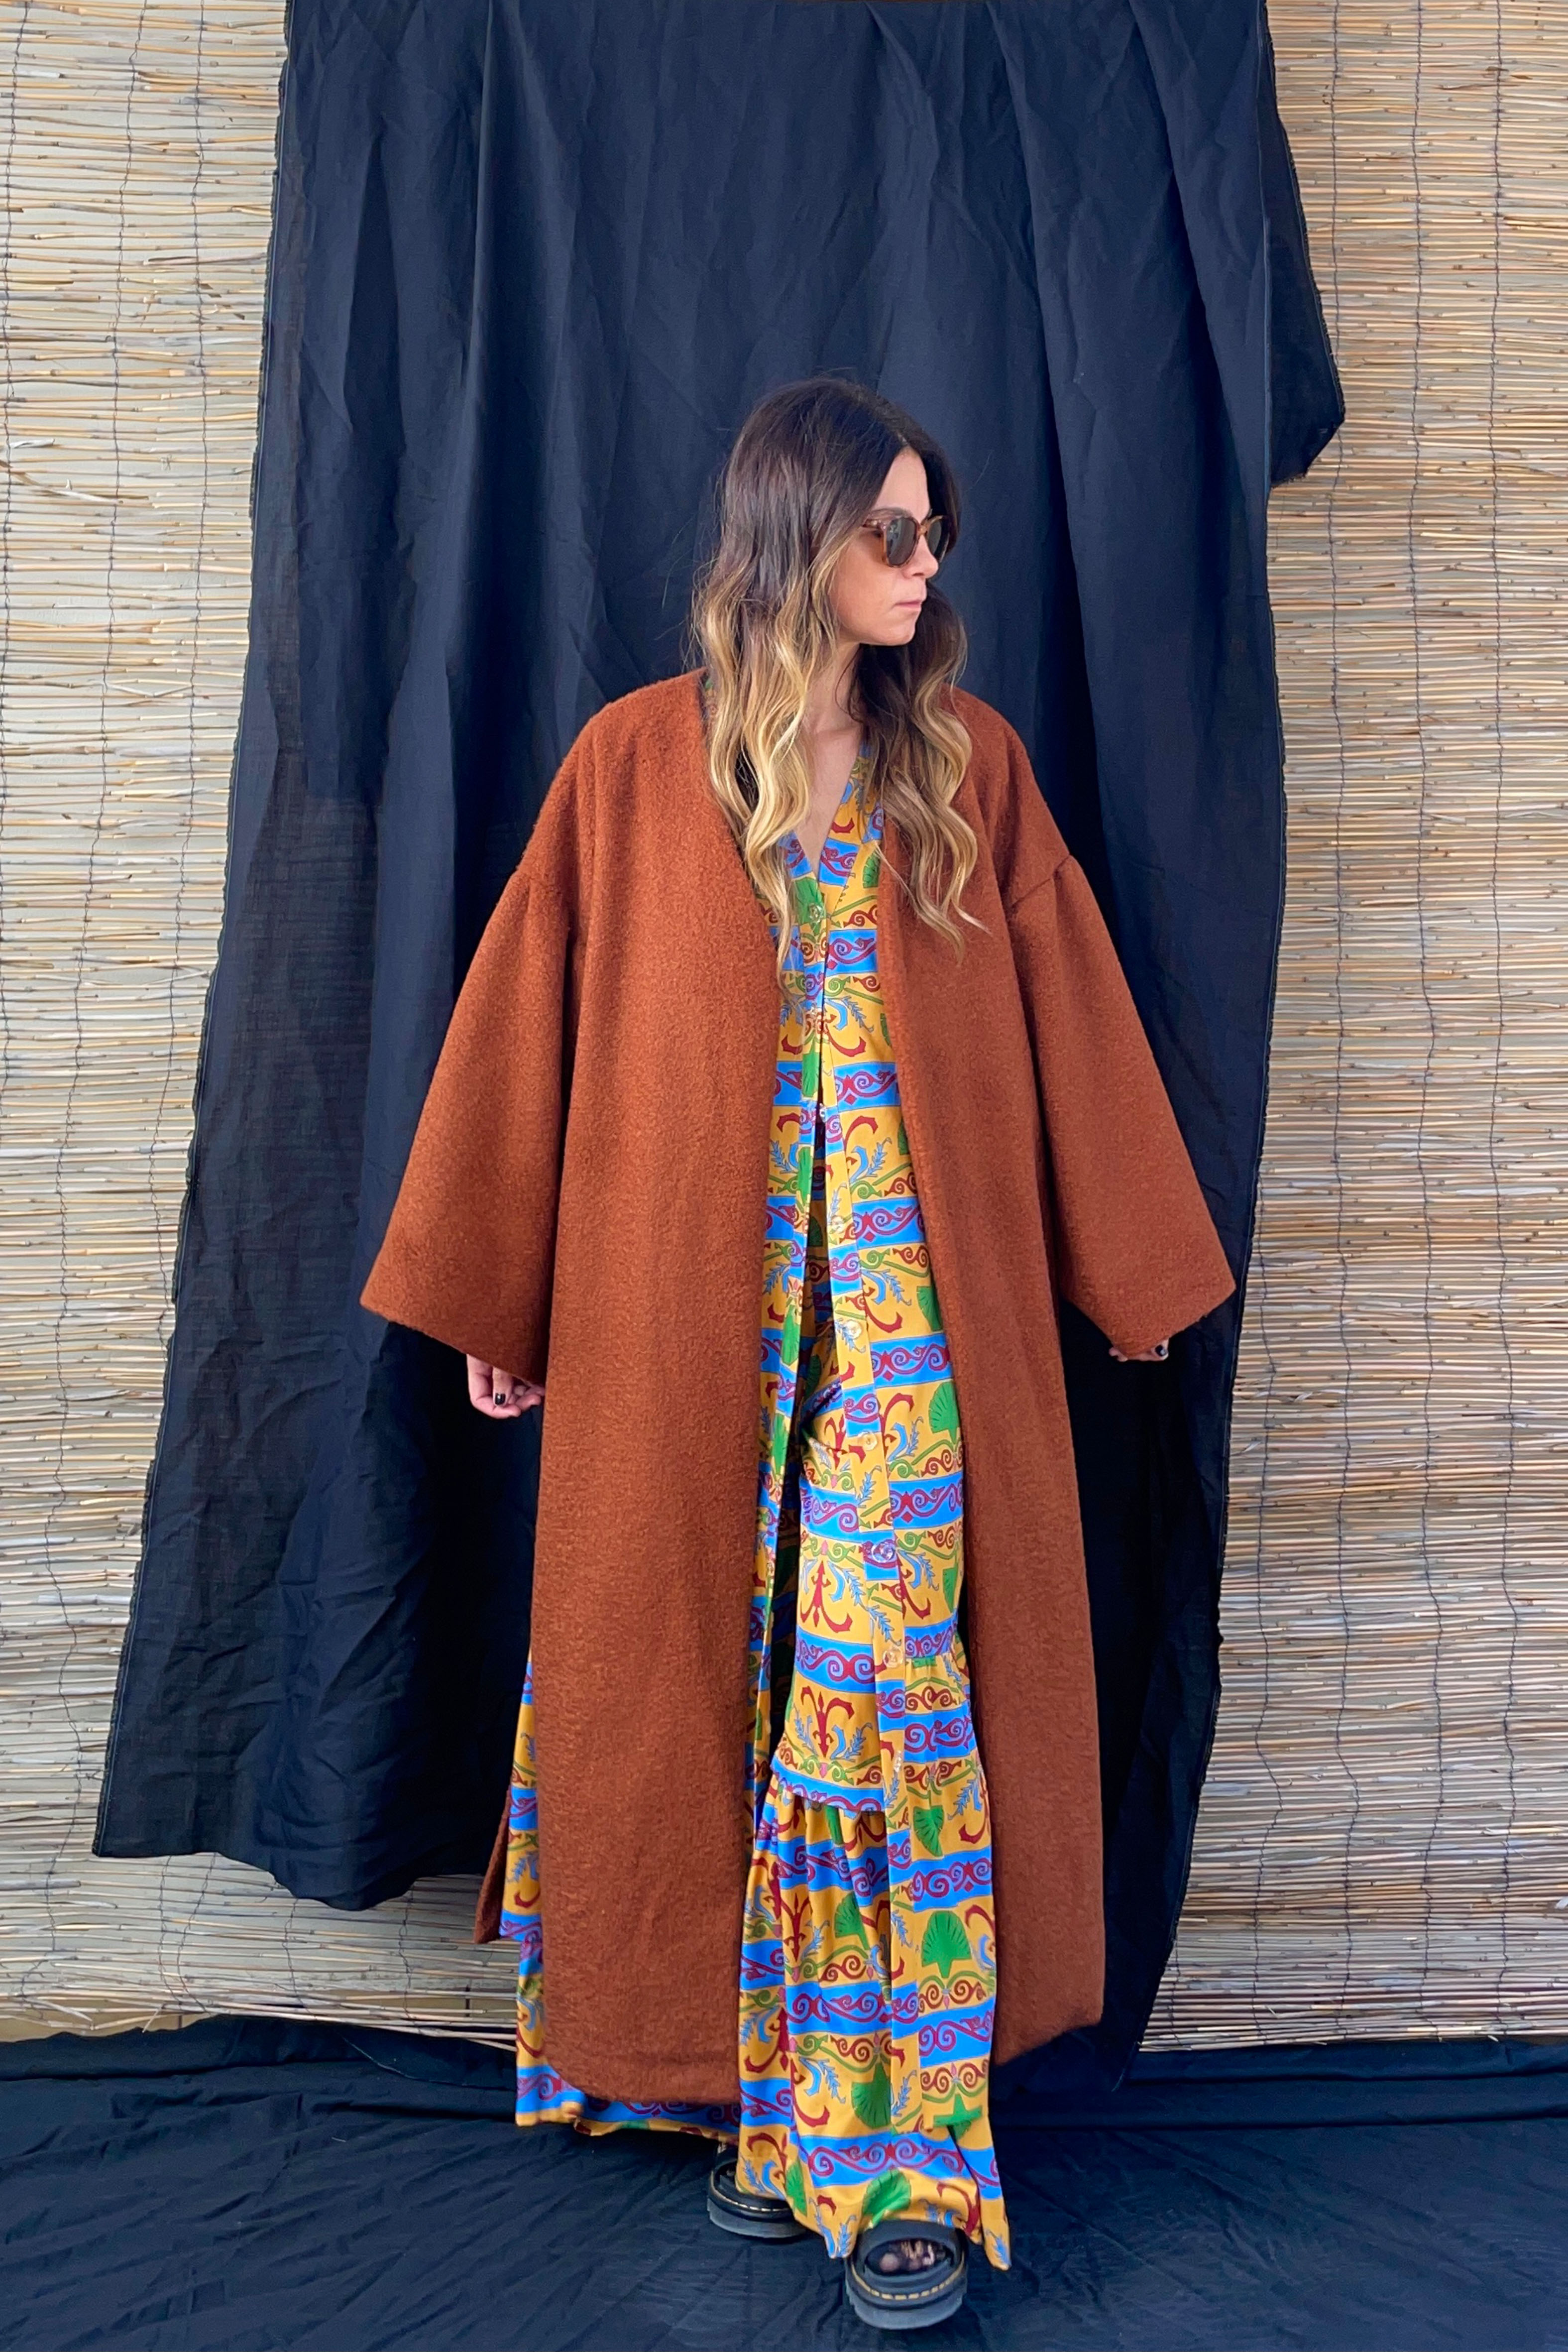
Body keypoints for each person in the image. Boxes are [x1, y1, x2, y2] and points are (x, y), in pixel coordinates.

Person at [361, 376, 1234, 2330]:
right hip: (686, 1336)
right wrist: (504, 1295)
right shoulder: (629, 765)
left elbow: (1072, 1002)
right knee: (717, 1700)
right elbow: (525, 1017)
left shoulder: (967, 769)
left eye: (935, 534)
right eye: (891, 533)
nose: (925, 568)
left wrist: (1137, 1268)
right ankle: (779, 2107)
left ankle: (901, 2155)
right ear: (794, 537)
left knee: (876, 1704)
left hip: (917, 1349)